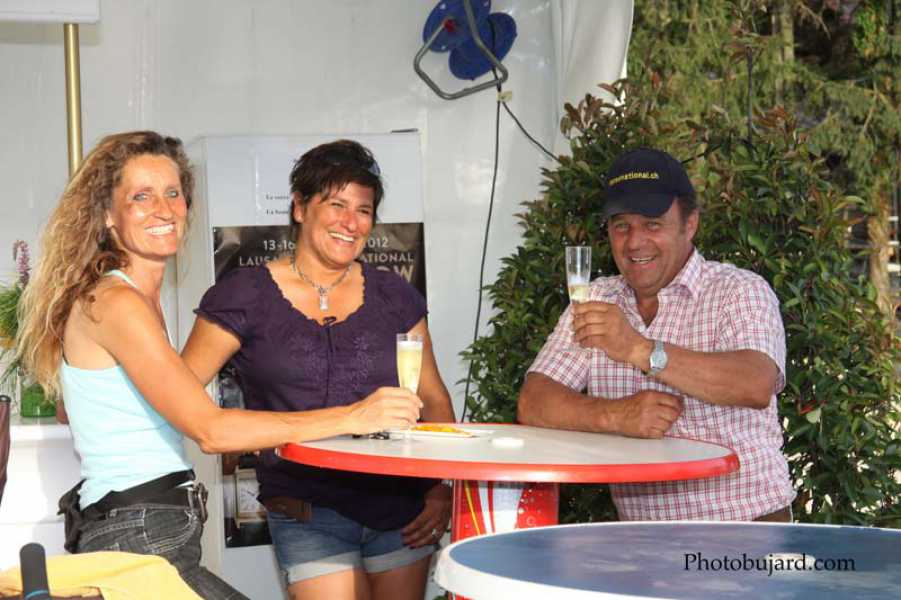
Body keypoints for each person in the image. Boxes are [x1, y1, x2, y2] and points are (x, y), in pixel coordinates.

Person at [15, 131, 423, 600]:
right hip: (138, 532)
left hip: (150, 528)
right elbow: (211, 430)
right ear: (107, 213)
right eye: (141, 196)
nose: (163, 209)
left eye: (173, 194)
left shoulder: (131, 298)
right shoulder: (116, 301)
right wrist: (355, 416)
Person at [181, 139, 456, 600]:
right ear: (299, 207)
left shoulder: (394, 295)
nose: (351, 222)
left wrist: (441, 489)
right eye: (336, 205)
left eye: (363, 210)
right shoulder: (243, 295)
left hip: (400, 507)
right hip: (306, 510)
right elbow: (178, 393)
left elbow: (433, 396)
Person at [518, 147, 795, 522]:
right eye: (621, 226)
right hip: (642, 536)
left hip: (744, 528)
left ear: (690, 224)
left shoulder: (738, 290)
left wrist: (639, 349)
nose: (634, 242)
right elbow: (534, 402)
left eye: (652, 224)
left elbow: (755, 383)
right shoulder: (596, 299)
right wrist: (617, 415)